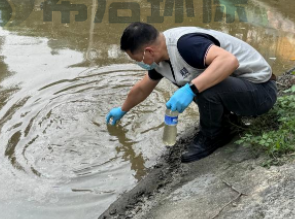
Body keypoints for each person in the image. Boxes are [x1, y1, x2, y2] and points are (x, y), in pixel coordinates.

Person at [106, 23, 277, 163]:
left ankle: (214, 135)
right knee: (196, 83)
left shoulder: (186, 45)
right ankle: (224, 119)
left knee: (200, 85)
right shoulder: (161, 55)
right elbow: (142, 88)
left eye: (138, 60)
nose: (139, 64)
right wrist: (122, 110)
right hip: (240, 90)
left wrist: (191, 89)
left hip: (261, 92)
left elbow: (229, 61)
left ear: (149, 51)